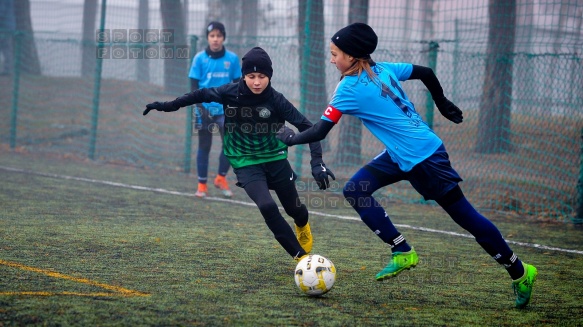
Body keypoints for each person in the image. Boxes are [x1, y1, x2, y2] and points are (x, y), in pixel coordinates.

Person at [277, 23, 537, 308]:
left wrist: (291, 139)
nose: (331, 59)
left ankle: (520, 271)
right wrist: (442, 102)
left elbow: (320, 131)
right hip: (402, 154)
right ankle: (401, 250)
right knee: (355, 190)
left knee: (465, 217)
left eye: (335, 53)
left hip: (425, 159)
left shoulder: (349, 88)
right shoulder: (385, 68)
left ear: (352, 56)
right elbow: (425, 72)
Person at [144, 47, 336, 262]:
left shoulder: (277, 100)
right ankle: (301, 258)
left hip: (275, 158)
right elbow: (199, 94)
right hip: (244, 161)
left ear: (269, 76)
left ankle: (302, 225)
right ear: (243, 76)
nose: (256, 82)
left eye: (262, 77)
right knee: (267, 206)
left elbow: (308, 127)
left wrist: (317, 162)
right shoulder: (230, 92)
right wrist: (166, 106)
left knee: (296, 210)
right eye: (251, 76)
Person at [189, 21, 241, 198]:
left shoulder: (232, 59)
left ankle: (220, 178)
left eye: (219, 36)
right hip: (203, 109)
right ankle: (201, 185)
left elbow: (237, 85)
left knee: (230, 145)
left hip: (225, 111)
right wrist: (200, 108)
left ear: (224, 37)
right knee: (204, 145)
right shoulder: (199, 59)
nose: (215, 39)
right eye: (212, 36)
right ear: (208, 38)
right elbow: (194, 86)